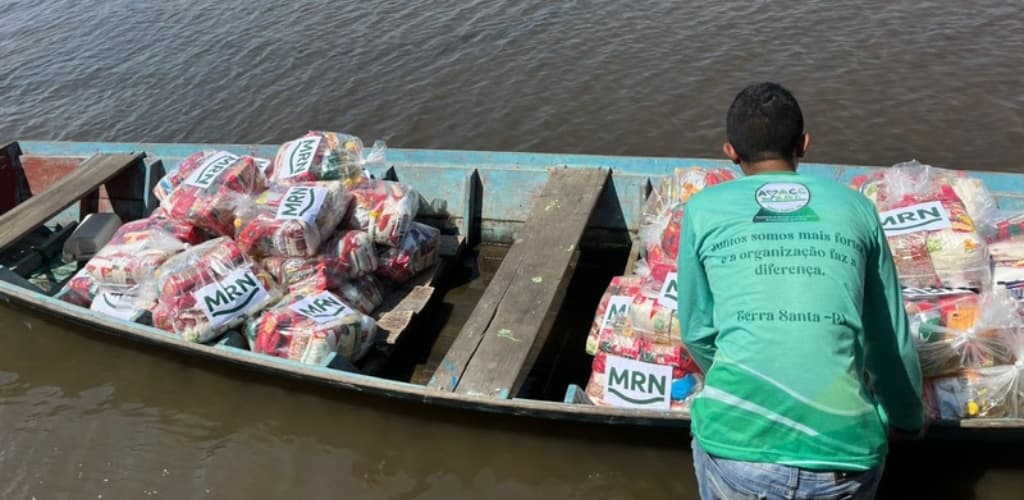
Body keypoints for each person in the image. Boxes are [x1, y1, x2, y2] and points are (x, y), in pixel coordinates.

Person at [677, 82, 926, 499]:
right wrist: (907, 418)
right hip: (842, 460)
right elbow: (888, 340)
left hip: (737, 454)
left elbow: (698, 331)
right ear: (804, 145)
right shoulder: (856, 207)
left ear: (730, 152)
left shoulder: (702, 209)